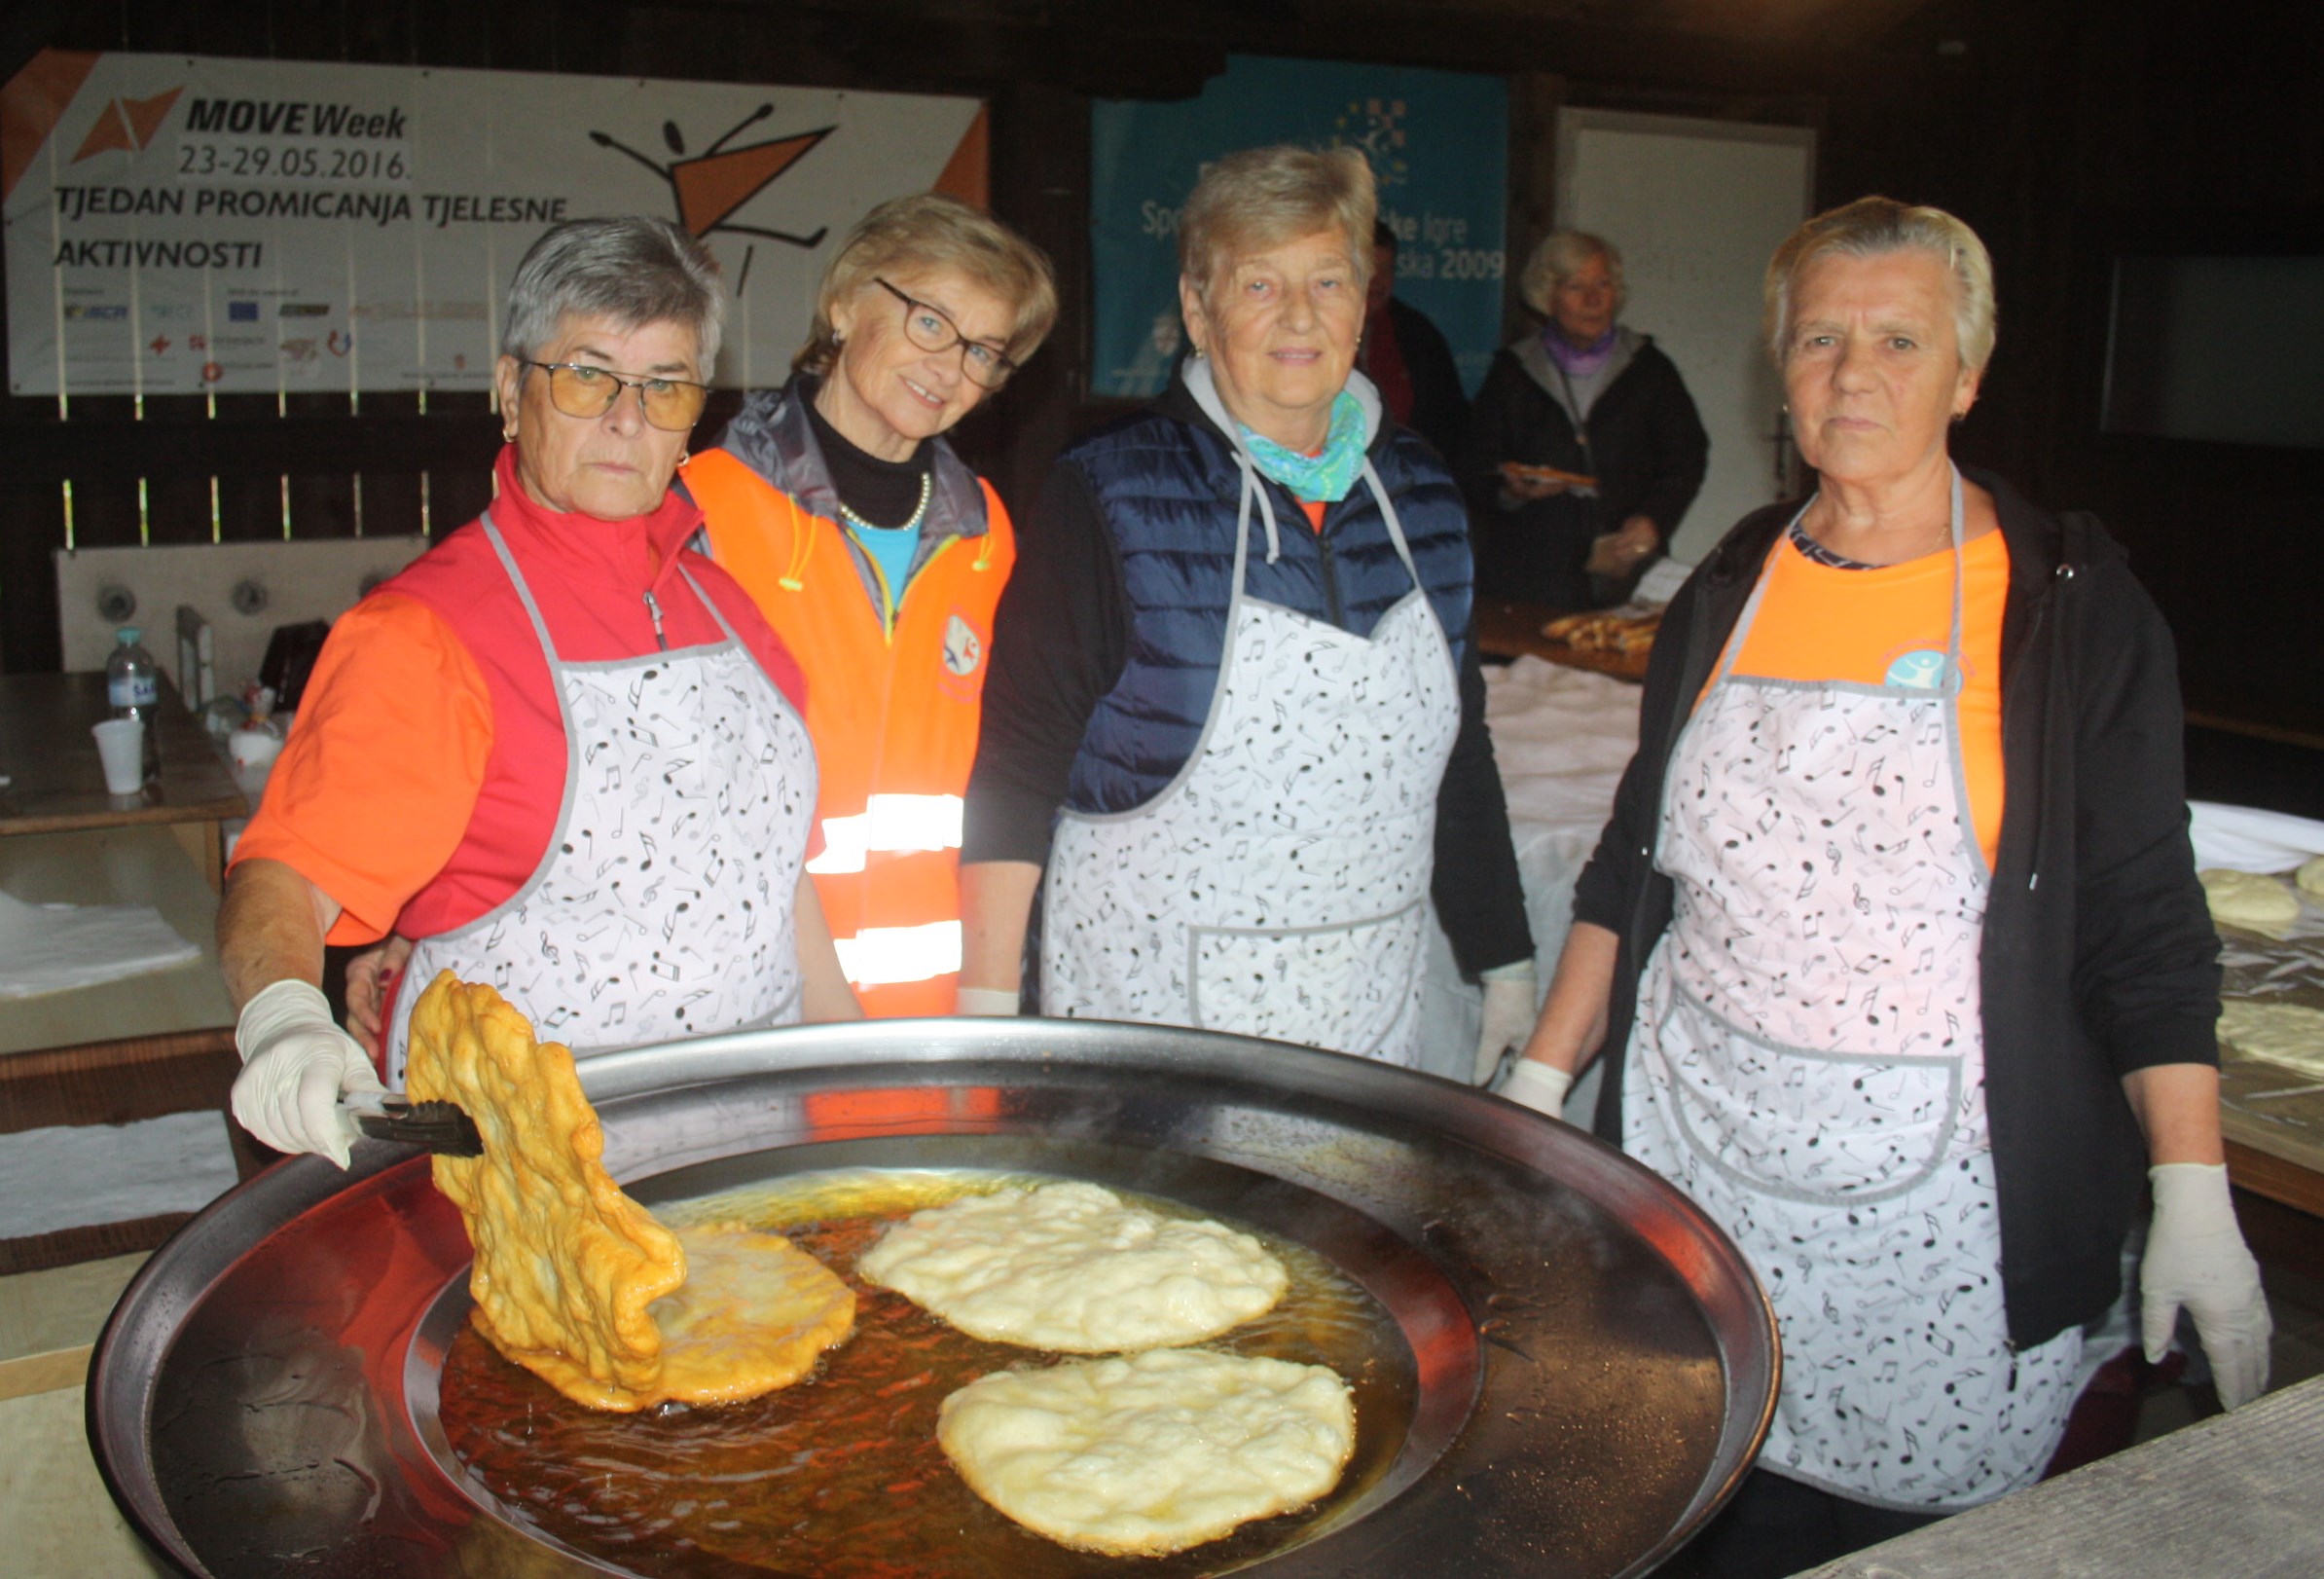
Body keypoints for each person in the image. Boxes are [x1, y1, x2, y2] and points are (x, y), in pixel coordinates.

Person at [1503, 197, 2270, 1575]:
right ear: (1779, 370)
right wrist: (1542, 1088)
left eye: (1901, 340)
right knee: (1696, 1524)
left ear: (1968, 374)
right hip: (1701, 1177)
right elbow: (1633, 866)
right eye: (1820, 340)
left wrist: (2195, 1188)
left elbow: (2146, 925)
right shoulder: (1727, 587)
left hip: (1942, 1226)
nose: (1855, 375)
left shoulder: (2071, 605)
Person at [224, 216, 857, 1166]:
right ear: (512, 393)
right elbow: (283, 878)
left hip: (752, 1154)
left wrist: (856, 1089)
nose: (626, 417)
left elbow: (777, 887)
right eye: (587, 374)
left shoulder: (735, 613)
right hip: (523, 1180)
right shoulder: (427, 635)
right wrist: (281, 1020)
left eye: (664, 385)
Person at [956, 144, 1536, 1074]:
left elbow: (1456, 746)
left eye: (1328, 280)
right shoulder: (1110, 492)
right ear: (1197, 308)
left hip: (1366, 1015)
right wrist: (985, 1009)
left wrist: (1503, 955)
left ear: (1364, 302)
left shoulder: (1422, 489)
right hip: (1153, 1024)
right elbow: (1020, 757)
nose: (1299, 315)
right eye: (1259, 285)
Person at [683, 195, 1057, 1017]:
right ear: (846, 302)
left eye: (984, 350)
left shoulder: (985, 533)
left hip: (932, 1030)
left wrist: (985, 1015)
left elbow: (1007, 778)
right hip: (759, 1013)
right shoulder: (702, 511)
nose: (950, 368)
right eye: (930, 323)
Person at [1460, 230, 1707, 609]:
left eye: (1603, 284)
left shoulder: (1648, 368)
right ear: (1548, 296)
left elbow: (1686, 457)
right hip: (1530, 578)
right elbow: (1474, 467)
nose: (1594, 300)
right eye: (1577, 287)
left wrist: (1653, 520)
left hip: (1625, 571)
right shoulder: (1513, 372)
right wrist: (1511, 491)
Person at [1360, 220, 1469, 459]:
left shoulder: (1418, 335)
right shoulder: (1314, 330)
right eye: (1370, 269)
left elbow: (1451, 424)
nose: (1378, 281)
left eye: (1386, 269)